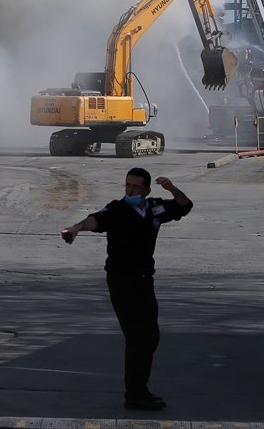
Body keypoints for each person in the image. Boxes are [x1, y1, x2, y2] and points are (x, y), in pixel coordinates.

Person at [60, 168, 192, 411]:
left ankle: (139, 388)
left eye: (135, 187)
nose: (130, 190)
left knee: (151, 336)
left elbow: (184, 206)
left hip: (144, 281)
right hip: (122, 281)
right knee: (137, 338)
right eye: (127, 186)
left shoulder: (154, 208)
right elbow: (96, 220)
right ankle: (135, 394)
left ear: (146, 191)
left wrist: (172, 188)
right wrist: (77, 227)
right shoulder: (118, 209)